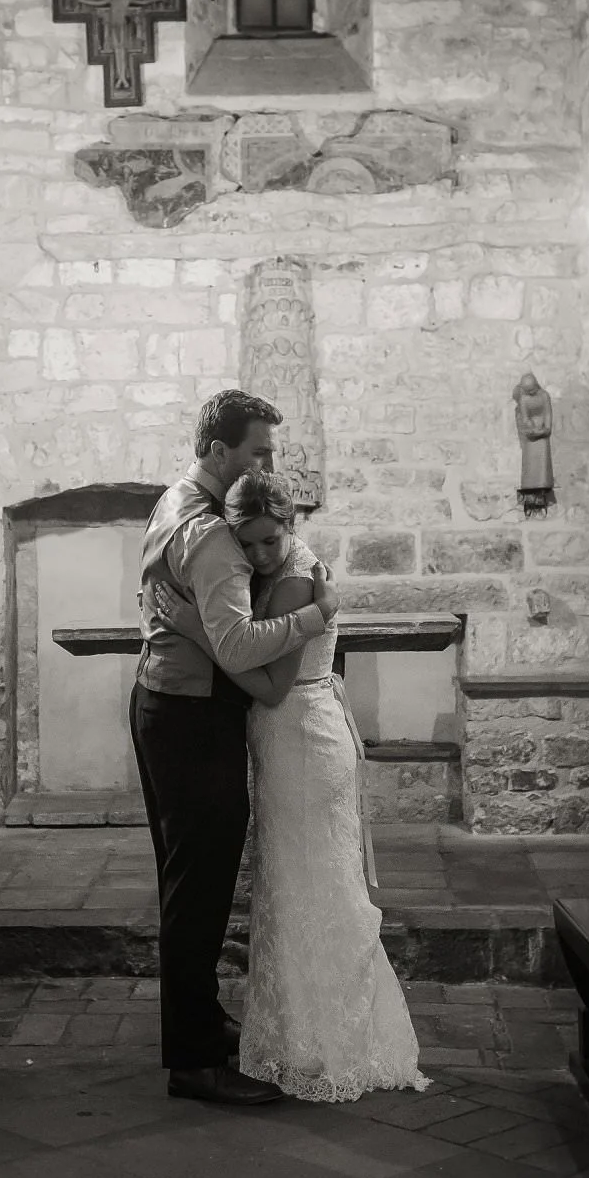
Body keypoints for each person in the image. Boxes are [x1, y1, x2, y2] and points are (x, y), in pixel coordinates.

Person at [157, 469, 429, 1103]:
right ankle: (309, 1032)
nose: (258, 554)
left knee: (307, 891)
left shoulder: (295, 583)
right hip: (296, 740)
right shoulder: (287, 571)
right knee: (300, 889)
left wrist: (198, 630)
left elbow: (271, 686)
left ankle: (322, 1039)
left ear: (291, 526)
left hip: (301, 740)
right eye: (246, 543)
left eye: (268, 541)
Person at [133, 390, 339, 1106]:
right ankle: (194, 1062)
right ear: (220, 451)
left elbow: (164, 600)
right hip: (193, 716)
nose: (269, 465)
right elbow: (241, 645)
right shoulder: (214, 534)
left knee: (186, 884)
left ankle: (200, 1019)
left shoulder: (173, 500)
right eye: (259, 452)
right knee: (200, 892)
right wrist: (315, 615)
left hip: (163, 703)